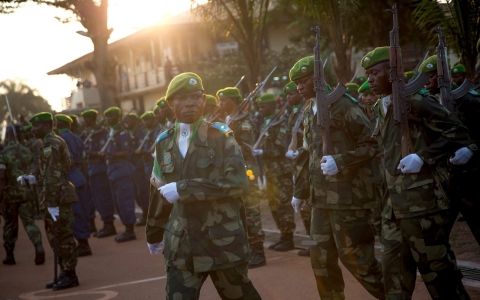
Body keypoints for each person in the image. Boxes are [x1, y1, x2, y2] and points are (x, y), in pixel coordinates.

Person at [363, 46, 471, 299]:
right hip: (393, 208)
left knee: (438, 276)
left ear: (392, 72)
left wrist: (423, 157)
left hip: (422, 207)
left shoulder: (417, 100)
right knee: (394, 277)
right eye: (367, 74)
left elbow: (458, 133)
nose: (369, 79)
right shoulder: (380, 107)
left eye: (375, 72)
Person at [146, 72, 262, 299]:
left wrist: (184, 188)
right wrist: (153, 232)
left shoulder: (221, 137)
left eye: (195, 96)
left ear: (203, 100)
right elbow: (158, 191)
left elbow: (238, 183)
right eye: (182, 98)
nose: (189, 102)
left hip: (222, 241)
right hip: (182, 245)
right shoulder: (163, 143)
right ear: (171, 103)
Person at [290, 56, 384, 299]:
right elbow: (307, 154)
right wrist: (299, 192)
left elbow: (374, 143)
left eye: (304, 80)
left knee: (358, 261)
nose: (299, 87)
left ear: (319, 78)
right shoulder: (309, 109)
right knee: (320, 260)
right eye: (297, 83)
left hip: (348, 199)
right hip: (320, 201)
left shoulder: (344, 106)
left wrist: (341, 161)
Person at [420, 55, 480, 245]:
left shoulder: (469, 100)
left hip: (472, 180)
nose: (425, 81)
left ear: (443, 76)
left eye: (430, 75)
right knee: (436, 238)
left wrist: (472, 149)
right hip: (445, 181)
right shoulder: (429, 104)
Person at [216, 87, 266, 268]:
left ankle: (259, 252)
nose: (220, 104)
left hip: (246, 171)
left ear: (234, 101)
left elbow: (245, 148)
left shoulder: (244, 121)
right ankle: (247, 250)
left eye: (224, 101)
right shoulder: (226, 120)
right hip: (233, 172)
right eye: (219, 101)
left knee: (251, 211)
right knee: (238, 211)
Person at [29, 112, 79, 290]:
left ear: (46, 126)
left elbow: (53, 176)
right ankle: (64, 271)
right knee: (55, 237)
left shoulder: (52, 143)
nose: (33, 130)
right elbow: (47, 173)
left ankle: (70, 274)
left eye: (36, 126)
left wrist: (51, 204)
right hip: (52, 197)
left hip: (56, 198)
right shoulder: (47, 143)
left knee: (62, 237)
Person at [254, 93, 296, 252]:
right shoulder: (266, 123)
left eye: (263, 106)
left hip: (281, 172)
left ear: (272, 106)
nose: (260, 109)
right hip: (270, 172)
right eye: (259, 107)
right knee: (274, 205)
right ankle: (283, 235)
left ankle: (288, 237)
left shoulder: (280, 124)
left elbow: (280, 149)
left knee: (284, 205)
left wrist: (262, 151)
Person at [0, 125, 45, 265]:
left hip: (10, 195)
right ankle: (38, 245)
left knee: (10, 225)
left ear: (8, 136)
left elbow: (2, 178)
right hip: (26, 193)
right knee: (29, 222)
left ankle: (10, 255)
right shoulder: (27, 151)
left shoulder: (4, 153)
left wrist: (0, 197)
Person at [55, 114, 92, 257]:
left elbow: (69, 161)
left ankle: (83, 244)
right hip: (79, 177)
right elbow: (82, 159)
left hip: (70, 178)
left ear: (58, 125)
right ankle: (84, 242)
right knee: (82, 210)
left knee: (75, 212)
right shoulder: (76, 137)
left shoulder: (63, 139)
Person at [283, 81, 311, 256]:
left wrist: (298, 152)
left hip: (308, 162)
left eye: (291, 94)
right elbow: (294, 136)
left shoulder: (307, 109)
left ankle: (316, 244)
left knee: (309, 207)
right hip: (298, 164)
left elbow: (311, 140)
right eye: (287, 95)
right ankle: (312, 242)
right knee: (303, 207)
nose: (289, 98)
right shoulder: (294, 113)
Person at [101, 107, 137, 243]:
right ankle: (126, 228)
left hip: (122, 170)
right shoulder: (112, 132)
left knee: (125, 201)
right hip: (113, 171)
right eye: (107, 117)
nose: (108, 119)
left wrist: (109, 154)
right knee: (118, 202)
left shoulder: (122, 133)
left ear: (117, 117)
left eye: (111, 117)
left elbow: (126, 153)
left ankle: (130, 230)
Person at [80, 109, 116, 238]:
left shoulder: (102, 133)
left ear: (92, 119)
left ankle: (109, 224)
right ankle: (105, 224)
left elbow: (102, 152)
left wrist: (89, 154)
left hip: (100, 168)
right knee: (96, 199)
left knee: (103, 197)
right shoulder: (87, 133)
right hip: (91, 169)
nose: (84, 121)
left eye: (86, 119)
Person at [124, 113, 150, 227]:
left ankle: (146, 215)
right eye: (126, 121)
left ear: (135, 122)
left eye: (129, 121)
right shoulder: (128, 134)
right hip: (131, 166)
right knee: (136, 192)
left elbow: (141, 150)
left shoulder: (140, 133)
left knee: (142, 191)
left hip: (140, 165)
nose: (127, 123)